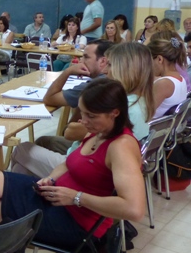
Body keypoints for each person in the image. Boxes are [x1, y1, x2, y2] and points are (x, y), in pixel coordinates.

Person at [0, 78, 145, 251]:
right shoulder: (100, 131)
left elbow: (134, 210)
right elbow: (70, 164)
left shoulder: (121, 147)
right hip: (57, 198)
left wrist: (77, 197)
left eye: (91, 116)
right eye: (82, 113)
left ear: (115, 113)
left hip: (76, 222)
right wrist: (51, 178)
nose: (83, 121)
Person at [11, 42, 153, 178]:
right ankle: (25, 192)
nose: (104, 70)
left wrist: (79, 124)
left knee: (21, 149)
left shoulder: (119, 106)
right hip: (93, 160)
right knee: (38, 147)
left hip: (83, 167)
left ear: (124, 69)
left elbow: (70, 132)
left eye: (109, 64)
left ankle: (20, 192)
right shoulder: (142, 101)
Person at [15, 39, 113, 164]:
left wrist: (68, 71)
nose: (81, 61)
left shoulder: (95, 86)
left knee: (23, 149)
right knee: (44, 141)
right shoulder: (113, 81)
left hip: (84, 154)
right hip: (97, 149)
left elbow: (49, 98)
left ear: (103, 61)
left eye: (86, 57)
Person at [148, 38, 188, 118]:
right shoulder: (180, 79)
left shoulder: (164, 83)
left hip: (153, 128)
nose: (148, 65)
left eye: (149, 60)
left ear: (159, 59)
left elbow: (145, 112)